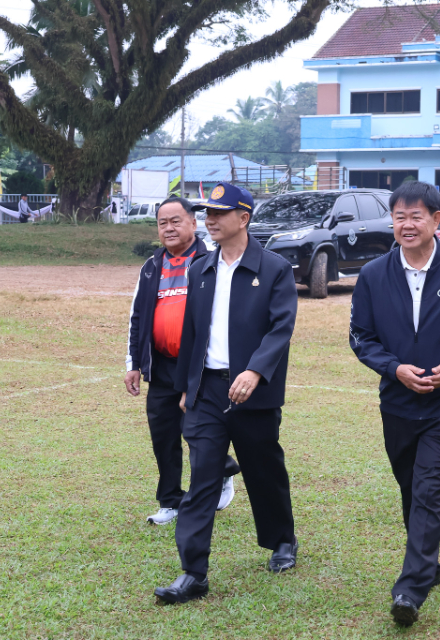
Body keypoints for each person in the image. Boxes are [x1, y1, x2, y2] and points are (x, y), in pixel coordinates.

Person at [349, 180, 440, 626]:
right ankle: (428, 564)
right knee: (411, 489)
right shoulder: (373, 275)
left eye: (416, 216)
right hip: (396, 404)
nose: (407, 224)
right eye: (400, 216)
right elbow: (362, 338)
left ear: (436, 219)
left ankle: (410, 589)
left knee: (429, 489)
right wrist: (394, 369)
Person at [154, 182, 298, 605]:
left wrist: (255, 371)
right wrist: (186, 387)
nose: (210, 220)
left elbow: (281, 327)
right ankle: (193, 572)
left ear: (244, 218)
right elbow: (191, 332)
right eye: (208, 213)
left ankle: (282, 540)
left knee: (263, 470)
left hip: (253, 391)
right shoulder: (201, 268)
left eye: (219, 213)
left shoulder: (274, 268)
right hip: (208, 391)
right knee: (202, 478)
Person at [125, 196, 240, 526]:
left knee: (199, 431)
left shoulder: (212, 260)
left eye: (176, 221)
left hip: (202, 367)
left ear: (193, 222)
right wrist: (134, 364)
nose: (169, 228)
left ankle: (222, 471)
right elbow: (137, 317)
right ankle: (170, 501)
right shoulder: (151, 267)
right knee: (163, 434)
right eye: (162, 223)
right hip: (162, 365)